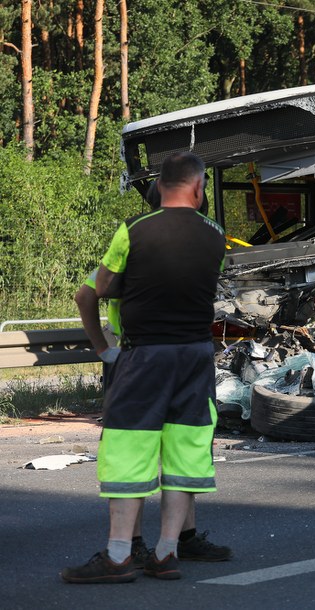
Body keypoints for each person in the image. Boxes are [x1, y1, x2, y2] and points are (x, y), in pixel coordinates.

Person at [62, 152, 228, 583]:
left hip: (143, 357)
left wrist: (106, 352)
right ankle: (167, 552)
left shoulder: (134, 229)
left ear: (159, 187)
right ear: (197, 187)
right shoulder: (217, 236)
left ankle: (119, 555)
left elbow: (94, 291)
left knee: (128, 450)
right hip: (195, 357)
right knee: (186, 451)